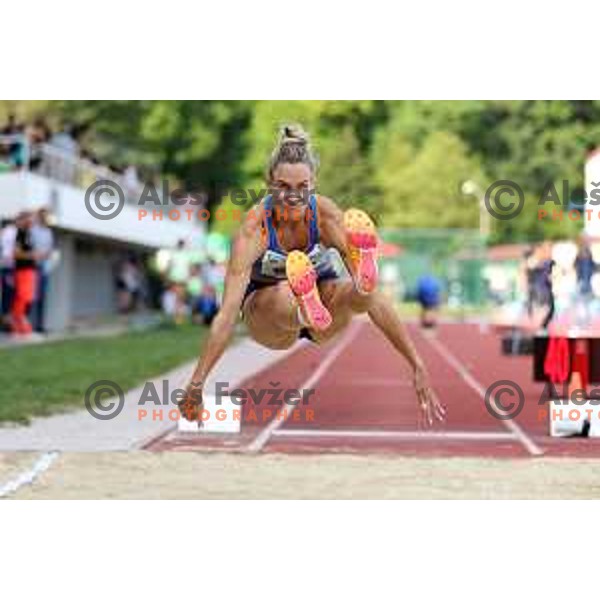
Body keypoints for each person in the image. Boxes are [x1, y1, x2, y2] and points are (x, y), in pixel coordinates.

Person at [181, 125, 444, 425]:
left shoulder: (327, 215)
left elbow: (377, 303)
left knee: (358, 293)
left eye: (302, 187)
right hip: (271, 320)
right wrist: (197, 383)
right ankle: (303, 305)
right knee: (283, 293)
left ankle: (349, 279)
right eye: (284, 187)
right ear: (269, 183)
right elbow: (227, 316)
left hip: (324, 316)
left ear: (313, 183)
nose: (293, 196)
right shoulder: (254, 229)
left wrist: (416, 362)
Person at [11, 212, 38, 336]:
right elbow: (16, 253)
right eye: (29, 219)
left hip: (30, 270)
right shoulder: (19, 234)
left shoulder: (28, 234)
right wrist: (32, 255)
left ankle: (20, 326)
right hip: (23, 270)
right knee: (22, 297)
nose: (31, 221)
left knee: (26, 298)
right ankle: (18, 325)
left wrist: (36, 256)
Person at [31, 208, 55, 333]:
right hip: (33, 267)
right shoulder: (33, 230)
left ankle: (39, 325)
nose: (45, 218)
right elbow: (29, 247)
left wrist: (46, 255)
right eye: (43, 216)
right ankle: (29, 324)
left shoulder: (48, 232)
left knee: (42, 297)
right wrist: (37, 255)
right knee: (31, 296)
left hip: (44, 267)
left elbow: (50, 249)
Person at [0, 218, 17, 330]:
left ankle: (6, 321)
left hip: (7, 268)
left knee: (7, 295)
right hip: (6, 268)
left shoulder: (10, 234)